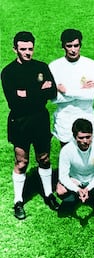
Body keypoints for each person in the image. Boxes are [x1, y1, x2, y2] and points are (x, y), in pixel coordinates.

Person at [1, 31, 59, 220]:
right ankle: (18, 201)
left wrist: (27, 93)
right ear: (15, 49)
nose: (27, 52)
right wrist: (38, 91)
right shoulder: (8, 72)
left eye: (30, 49)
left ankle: (49, 194)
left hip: (40, 120)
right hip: (20, 122)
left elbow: (52, 92)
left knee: (44, 159)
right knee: (22, 162)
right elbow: (14, 103)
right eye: (23, 49)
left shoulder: (41, 67)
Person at [49, 29, 94, 147]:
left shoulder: (91, 65)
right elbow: (54, 98)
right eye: (69, 46)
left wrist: (66, 91)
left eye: (76, 45)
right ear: (63, 46)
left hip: (86, 115)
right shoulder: (54, 66)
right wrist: (81, 89)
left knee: (87, 153)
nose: (73, 50)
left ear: (80, 45)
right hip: (64, 117)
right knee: (67, 152)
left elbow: (90, 95)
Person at [56, 119, 94, 216]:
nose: (85, 141)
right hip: (75, 180)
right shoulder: (66, 150)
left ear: (92, 134)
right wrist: (77, 189)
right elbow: (63, 176)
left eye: (88, 137)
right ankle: (76, 197)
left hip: (93, 178)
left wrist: (88, 188)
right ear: (74, 137)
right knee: (60, 190)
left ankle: (93, 198)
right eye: (81, 138)